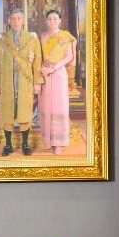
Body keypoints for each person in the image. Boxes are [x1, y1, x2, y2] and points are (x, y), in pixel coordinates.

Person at [0, 7, 42, 157]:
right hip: (7, 80)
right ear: (9, 21)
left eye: (19, 18)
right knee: (7, 112)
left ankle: (25, 144)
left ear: (23, 21)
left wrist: (37, 82)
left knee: (24, 111)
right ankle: (8, 144)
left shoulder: (31, 38)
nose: (16, 21)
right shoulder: (1, 39)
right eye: (13, 18)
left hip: (25, 80)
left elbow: (37, 61)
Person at [38, 9, 77, 156]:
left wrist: (53, 68)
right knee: (46, 107)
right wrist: (42, 68)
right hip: (44, 74)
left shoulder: (65, 36)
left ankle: (59, 144)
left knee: (59, 107)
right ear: (46, 21)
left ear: (60, 20)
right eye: (49, 19)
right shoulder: (42, 36)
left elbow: (69, 57)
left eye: (55, 18)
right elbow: (39, 56)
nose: (52, 21)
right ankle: (48, 141)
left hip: (58, 74)